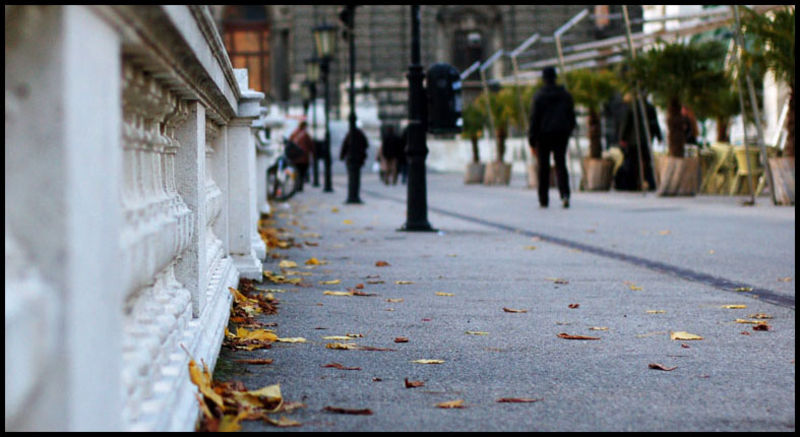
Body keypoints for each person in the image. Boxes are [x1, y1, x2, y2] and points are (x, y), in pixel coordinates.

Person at [528, 66, 576, 208]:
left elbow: (534, 118)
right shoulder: (565, 95)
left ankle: (543, 199)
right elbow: (571, 116)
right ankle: (565, 194)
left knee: (543, 167)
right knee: (561, 164)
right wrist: (568, 130)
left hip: (543, 136)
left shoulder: (539, 96)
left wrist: (532, 138)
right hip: (561, 134)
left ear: (544, 79)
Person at [615, 93, 661, 191]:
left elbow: (626, 123)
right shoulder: (649, 107)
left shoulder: (632, 107)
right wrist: (658, 136)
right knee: (646, 162)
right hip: (645, 139)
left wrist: (622, 138)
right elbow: (654, 124)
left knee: (633, 163)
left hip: (633, 140)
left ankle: (634, 184)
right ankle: (650, 183)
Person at [288, 120, 314, 192]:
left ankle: (296, 185)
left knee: (296, 171)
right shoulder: (306, 135)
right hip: (303, 157)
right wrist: (314, 153)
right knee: (302, 173)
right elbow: (311, 145)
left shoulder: (294, 133)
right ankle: (300, 186)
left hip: (295, 157)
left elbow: (289, 143)